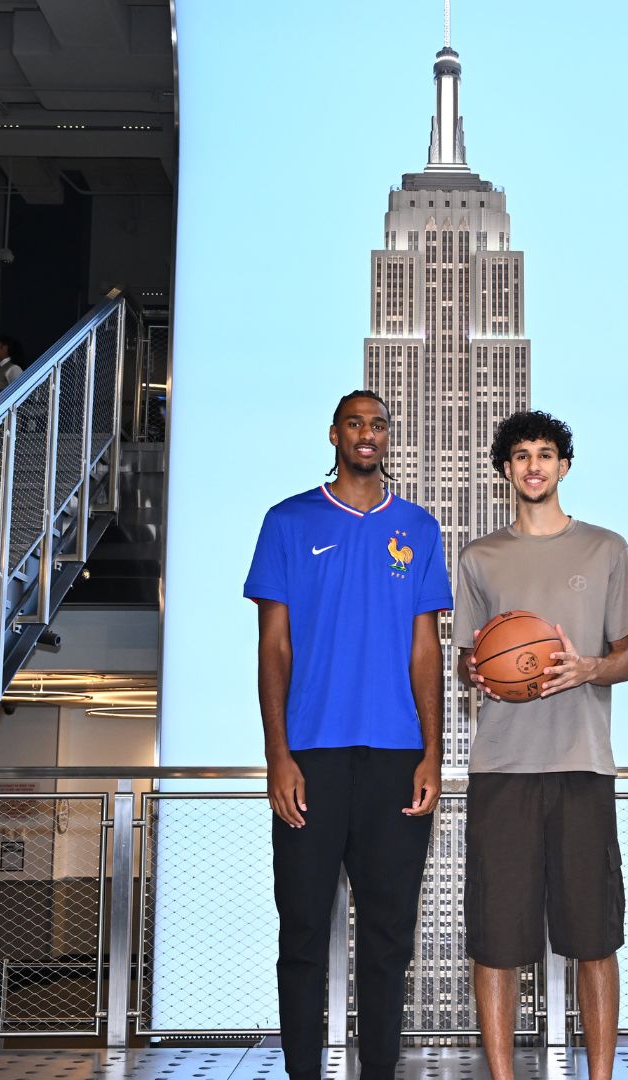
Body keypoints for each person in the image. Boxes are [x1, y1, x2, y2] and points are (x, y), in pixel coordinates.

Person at [244, 390, 451, 1080]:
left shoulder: (418, 528)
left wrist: (433, 753)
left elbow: (427, 651)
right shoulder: (287, 521)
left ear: (388, 437)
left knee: (389, 939)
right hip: (311, 758)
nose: (368, 434)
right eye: (356, 423)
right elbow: (273, 647)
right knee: (301, 933)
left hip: (396, 760)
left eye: (379, 424)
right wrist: (278, 755)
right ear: (334, 433)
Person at [455, 410, 628, 1080]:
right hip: (502, 768)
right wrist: (475, 672)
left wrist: (588, 668)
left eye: (546, 454)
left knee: (594, 936)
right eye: (521, 455)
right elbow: (467, 662)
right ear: (505, 469)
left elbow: (625, 658)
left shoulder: (606, 548)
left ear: (563, 465)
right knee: (498, 940)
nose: (534, 465)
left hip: (584, 765)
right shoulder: (479, 557)